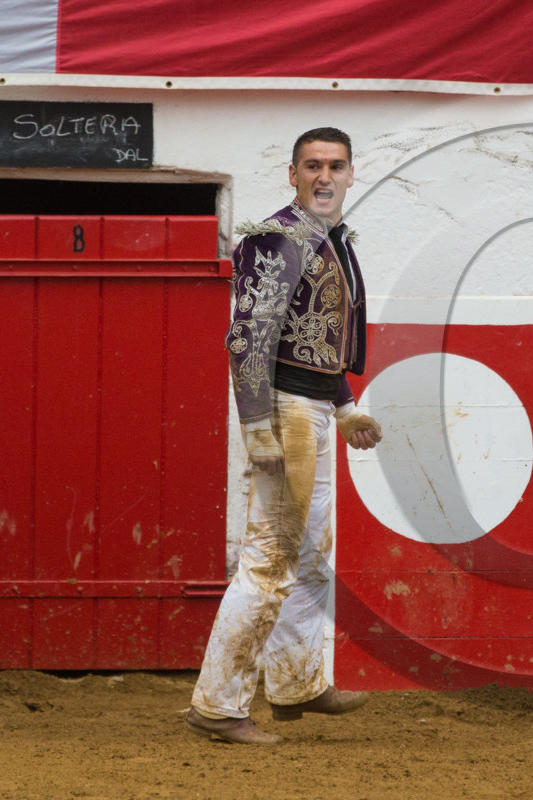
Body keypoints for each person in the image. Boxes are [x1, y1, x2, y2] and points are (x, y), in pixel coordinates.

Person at [186, 127, 383, 745]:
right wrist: (257, 428)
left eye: (337, 165)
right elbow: (249, 338)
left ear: (352, 174)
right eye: (313, 165)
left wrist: (346, 408)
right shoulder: (279, 237)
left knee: (311, 555)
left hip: (313, 408)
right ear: (292, 175)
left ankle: (297, 684)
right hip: (285, 414)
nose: (325, 176)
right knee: (269, 559)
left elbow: (316, 339)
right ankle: (218, 706)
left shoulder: (329, 239)